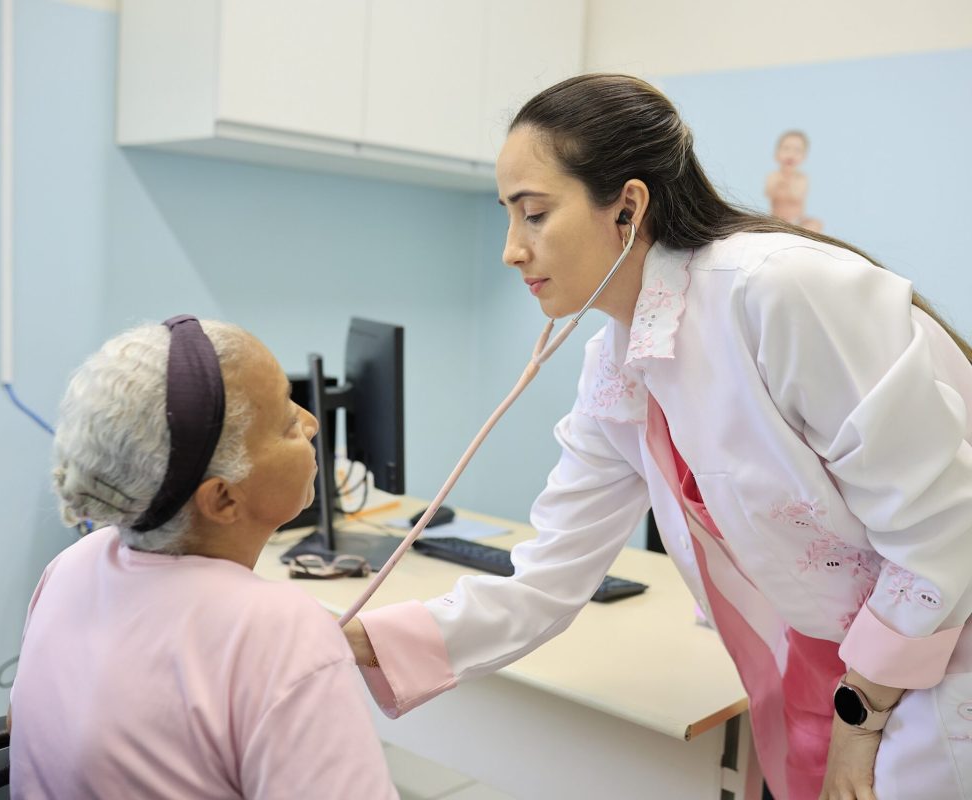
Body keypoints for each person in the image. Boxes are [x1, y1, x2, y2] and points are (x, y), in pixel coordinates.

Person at [342, 75, 972, 800]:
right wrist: (350, 643)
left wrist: (859, 728)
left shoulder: (778, 293)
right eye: (507, 218)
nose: (513, 250)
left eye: (535, 214)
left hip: (937, 657)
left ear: (629, 206)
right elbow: (547, 581)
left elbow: (942, 531)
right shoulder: (616, 363)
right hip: (825, 671)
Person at [9, 317, 397, 799]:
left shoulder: (76, 562)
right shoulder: (276, 630)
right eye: (284, 422)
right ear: (222, 500)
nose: (311, 423)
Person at [766, 130, 823, 233]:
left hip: (797, 221)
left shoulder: (802, 178)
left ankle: (798, 234)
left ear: (804, 157)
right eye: (786, 149)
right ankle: (786, 232)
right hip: (777, 220)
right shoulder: (773, 176)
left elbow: (796, 196)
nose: (791, 154)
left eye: (797, 150)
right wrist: (779, 181)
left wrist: (788, 179)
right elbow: (769, 193)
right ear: (776, 155)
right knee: (762, 223)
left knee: (816, 223)